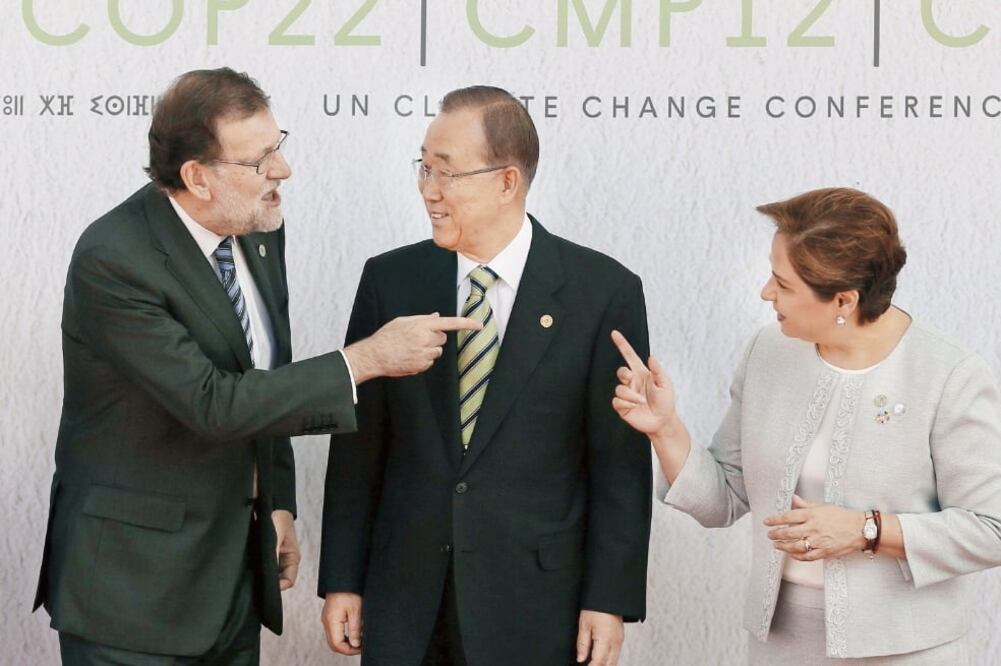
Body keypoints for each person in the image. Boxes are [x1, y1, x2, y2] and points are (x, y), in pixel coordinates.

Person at [33, 67, 478, 665]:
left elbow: (266, 380)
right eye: (259, 159)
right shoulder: (115, 259)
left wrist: (277, 501)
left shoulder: (257, 228)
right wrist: (364, 361)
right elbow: (213, 403)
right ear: (198, 177)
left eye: (279, 147)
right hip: (133, 595)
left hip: (233, 585)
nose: (282, 171)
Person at [318, 85, 652, 666]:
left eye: (446, 173)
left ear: (506, 181)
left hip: (535, 603)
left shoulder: (603, 292)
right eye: (424, 168)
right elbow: (358, 446)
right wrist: (343, 579)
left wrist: (609, 600)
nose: (428, 190)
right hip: (404, 595)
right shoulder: (390, 280)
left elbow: (618, 463)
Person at [611, 187, 1001, 664]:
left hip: (907, 649)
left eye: (783, 283)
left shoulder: (949, 376)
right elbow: (725, 500)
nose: (765, 292)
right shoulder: (768, 354)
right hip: (779, 644)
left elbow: (992, 529)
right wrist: (665, 428)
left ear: (844, 300)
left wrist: (867, 530)